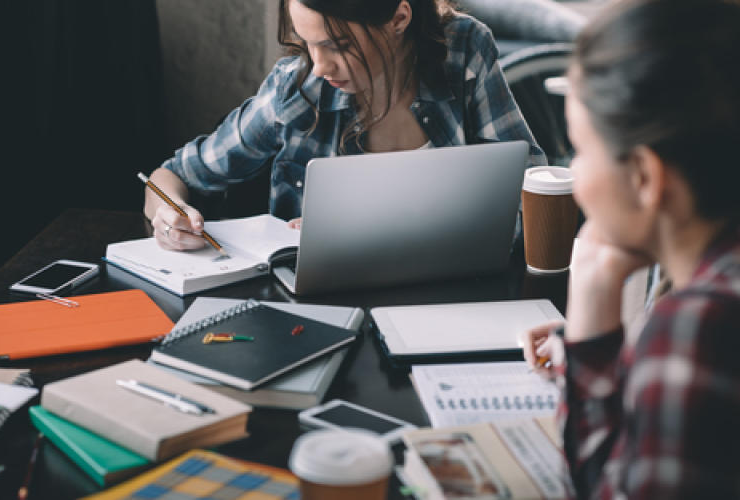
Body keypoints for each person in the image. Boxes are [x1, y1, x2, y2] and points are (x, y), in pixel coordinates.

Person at [522, 0, 740, 497]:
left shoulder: (701, 327)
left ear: (645, 176)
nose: (575, 172)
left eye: (579, 147)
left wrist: (593, 293)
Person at [143, 0, 545, 250]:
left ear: (399, 18)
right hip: (320, 313)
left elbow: (532, 186)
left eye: (338, 46)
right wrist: (168, 213)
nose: (319, 66)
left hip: (459, 297)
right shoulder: (297, 89)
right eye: (307, 44)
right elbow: (170, 176)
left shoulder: (463, 49)